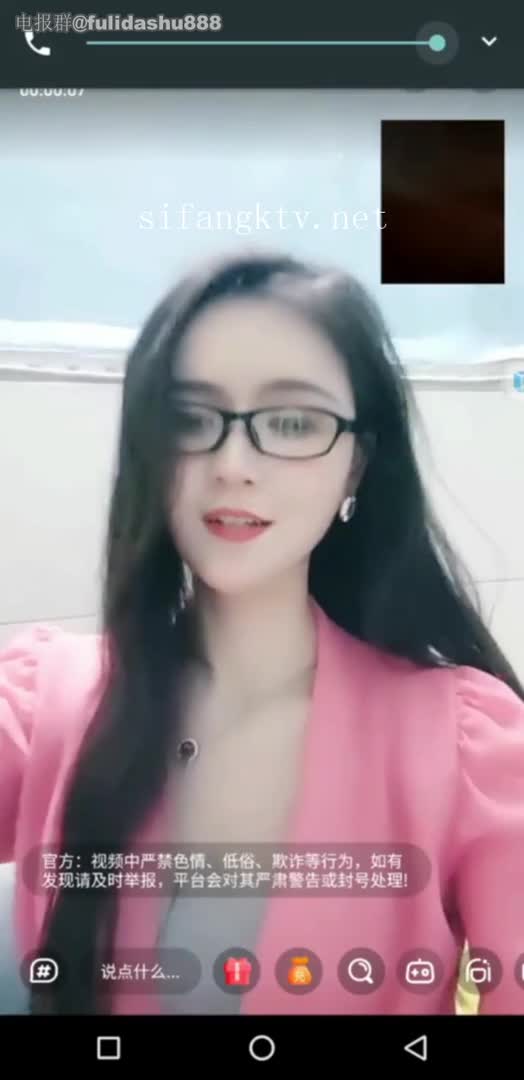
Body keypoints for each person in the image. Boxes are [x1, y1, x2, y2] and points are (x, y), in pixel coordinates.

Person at [1, 250, 523, 1017]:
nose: (233, 464)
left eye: (292, 422)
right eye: (189, 419)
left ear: (356, 466)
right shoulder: (42, 698)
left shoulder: (466, 745)